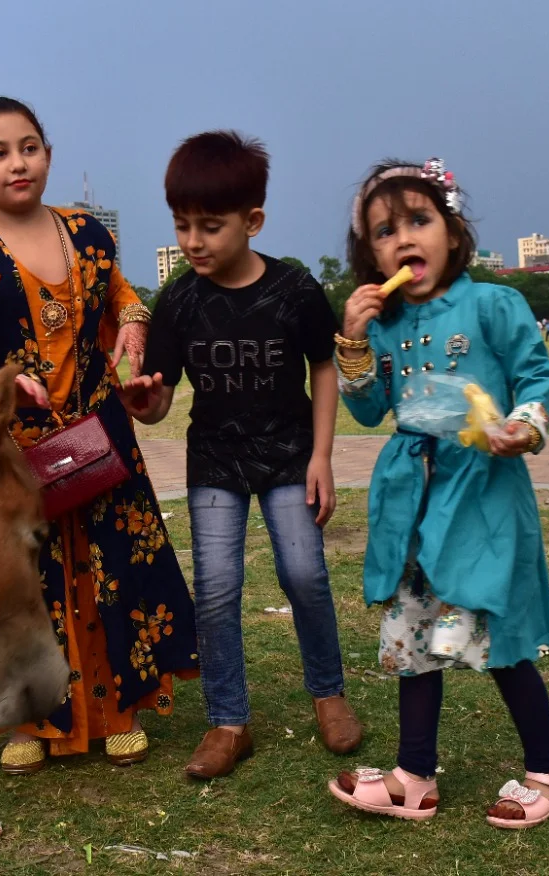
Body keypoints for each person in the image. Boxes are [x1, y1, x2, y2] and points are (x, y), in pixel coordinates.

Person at [0, 96, 198, 775]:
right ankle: (30, 720)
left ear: (47, 153)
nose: (17, 163)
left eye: (29, 148)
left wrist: (132, 325)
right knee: (22, 582)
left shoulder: (88, 234)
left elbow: (121, 296)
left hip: (99, 434)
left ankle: (119, 713)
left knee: (114, 571)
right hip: (13, 448)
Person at [328, 158, 549, 828]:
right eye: (384, 231)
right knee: (415, 636)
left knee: (493, 633)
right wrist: (352, 341)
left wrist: (524, 424)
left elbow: (538, 376)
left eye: (419, 220)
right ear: (371, 254)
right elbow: (369, 410)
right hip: (412, 496)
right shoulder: (384, 326)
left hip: (482, 492)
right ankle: (414, 776)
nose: (404, 239)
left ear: (453, 232)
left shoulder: (493, 304)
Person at [119, 131, 363, 780]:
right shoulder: (180, 300)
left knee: (304, 575)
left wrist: (322, 456)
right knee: (217, 588)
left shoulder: (294, 289)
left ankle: (329, 695)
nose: (193, 241)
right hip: (215, 464)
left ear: (252, 221)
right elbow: (161, 399)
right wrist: (145, 402)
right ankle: (228, 722)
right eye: (182, 225)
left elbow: (323, 367)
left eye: (210, 226)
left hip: (289, 456)